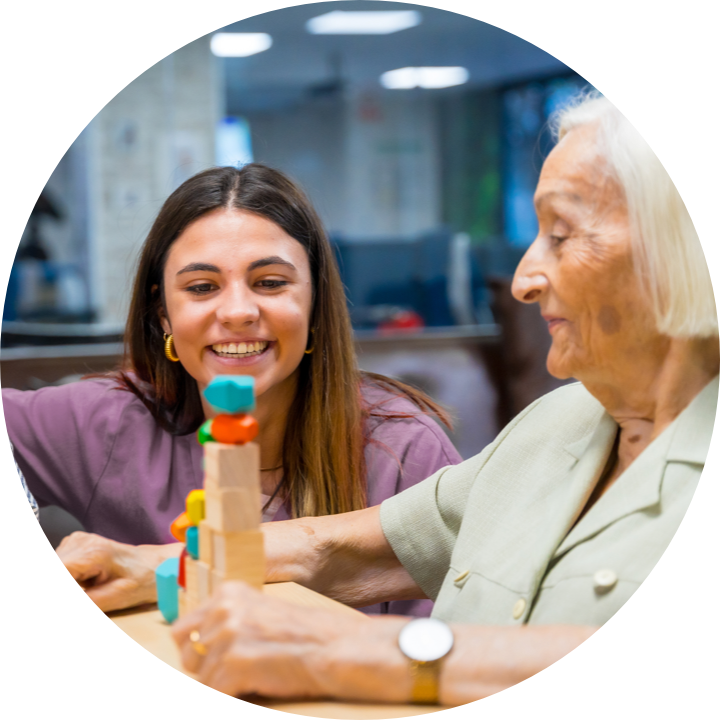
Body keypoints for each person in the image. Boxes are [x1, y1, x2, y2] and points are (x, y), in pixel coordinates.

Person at [157, 91, 715, 703]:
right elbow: (337, 549)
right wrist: (157, 565)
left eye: (561, 235)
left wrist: (359, 653)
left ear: (681, 252)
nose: (526, 280)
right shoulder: (556, 424)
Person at [2, 164, 462, 617]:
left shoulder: (407, 451)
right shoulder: (107, 422)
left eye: (270, 283)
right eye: (202, 287)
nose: (238, 311)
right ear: (163, 315)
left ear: (316, 304)